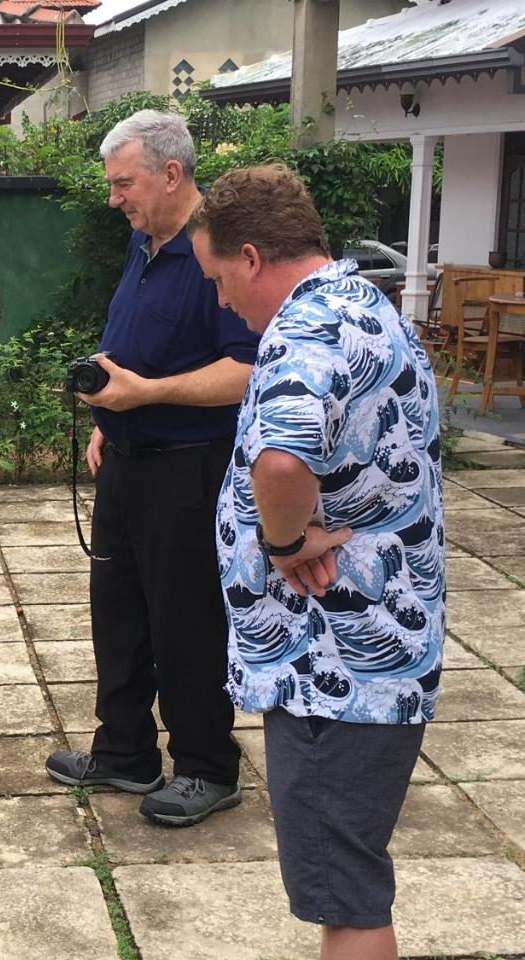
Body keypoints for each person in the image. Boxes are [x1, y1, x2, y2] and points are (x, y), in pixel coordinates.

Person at [188, 164, 443, 960]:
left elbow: (283, 462)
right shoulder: (363, 302)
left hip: (336, 665)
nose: (224, 301)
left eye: (222, 280)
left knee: (348, 896)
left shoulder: (304, 332)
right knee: (351, 881)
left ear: (253, 256)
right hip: (372, 651)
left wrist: (284, 543)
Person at [44, 109, 259, 826]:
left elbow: (246, 370)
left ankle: (206, 766)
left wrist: (147, 395)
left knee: (186, 623)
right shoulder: (145, 243)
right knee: (119, 615)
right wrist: (111, 416)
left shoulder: (217, 252)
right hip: (129, 459)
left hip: (188, 468)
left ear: (172, 174)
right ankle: (125, 753)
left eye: (123, 183)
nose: (114, 199)